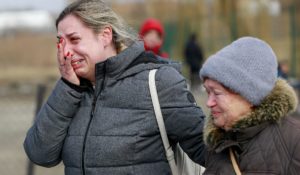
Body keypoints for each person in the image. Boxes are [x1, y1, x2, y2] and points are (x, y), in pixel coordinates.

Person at [23, 0, 206, 175]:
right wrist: (68, 86)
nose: (66, 52)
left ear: (105, 35)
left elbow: (210, 153)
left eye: (74, 39)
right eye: (61, 42)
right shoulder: (71, 91)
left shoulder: (159, 82)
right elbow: (40, 154)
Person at [199, 36, 300, 174]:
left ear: (250, 96)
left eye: (217, 93)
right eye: (207, 91)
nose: (208, 102)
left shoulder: (293, 140)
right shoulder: (216, 142)